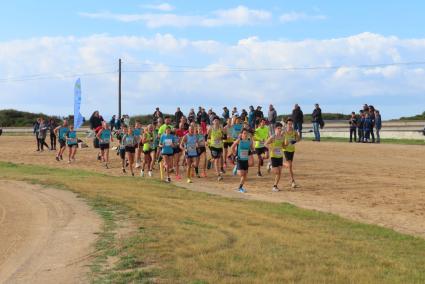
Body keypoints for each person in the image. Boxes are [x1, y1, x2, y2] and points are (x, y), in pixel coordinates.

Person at [229, 128, 254, 193]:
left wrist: (252, 148)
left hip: (245, 160)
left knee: (245, 175)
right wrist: (235, 155)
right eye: (244, 133)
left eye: (247, 133)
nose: (245, 135)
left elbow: (251, 148)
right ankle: (237, 167)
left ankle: (240, 187)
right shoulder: (239, 140)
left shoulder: (249, 141)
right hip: (239, 159)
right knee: (241, 174)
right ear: (241, 134)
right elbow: (232, 147)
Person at [266, 122, 285, 192]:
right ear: (275, 129)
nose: (279, 130)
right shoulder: (272, 137)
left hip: (280, 156)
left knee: (279, 172)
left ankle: (275, 186)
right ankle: (270, 166)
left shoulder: (282, 137)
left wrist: (286, 145)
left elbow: (283, 146)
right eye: (278, 128)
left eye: (280, 128)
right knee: (276, 172)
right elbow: (265, 144)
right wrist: (271, 148)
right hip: (273, 156)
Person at [283, 118, 301, 189]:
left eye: (291, 124)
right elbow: (279, 139)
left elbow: (299, 139)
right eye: (288, 124)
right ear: (286, 124)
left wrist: (295, 140)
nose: (290, 125)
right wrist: (284, 143)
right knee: (290, 166)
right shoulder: (283, 132)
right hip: (286, 149)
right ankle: (293, 181)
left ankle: (273, 164)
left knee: (289, 166)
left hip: (292, 150)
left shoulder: (294, 132)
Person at [208, 117, 225, 181]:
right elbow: (208, 136)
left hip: (220, 146)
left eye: (217, 120)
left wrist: (221, 138)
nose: (216, 122)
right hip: (213, 146)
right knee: (217, 160)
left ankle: (210, 160)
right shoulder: (210, 128)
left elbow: (224, 136)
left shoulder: (221, 128)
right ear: (213, 122)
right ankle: (218, 175)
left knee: (216, 159)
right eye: (215, 120)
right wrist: (208, 143)